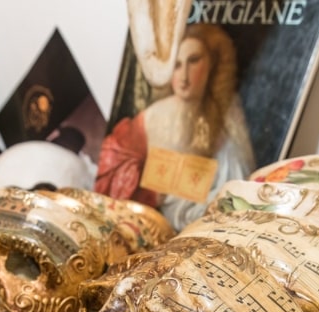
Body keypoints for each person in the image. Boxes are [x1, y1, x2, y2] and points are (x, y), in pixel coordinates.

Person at [95, 23, 254, 229]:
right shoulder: (151, 117)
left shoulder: (226, 118)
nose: (184, 76)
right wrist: (151, 191)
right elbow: (113, 166)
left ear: (213, 63)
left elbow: (239, 184)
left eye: (193, 61)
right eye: (176, 65)